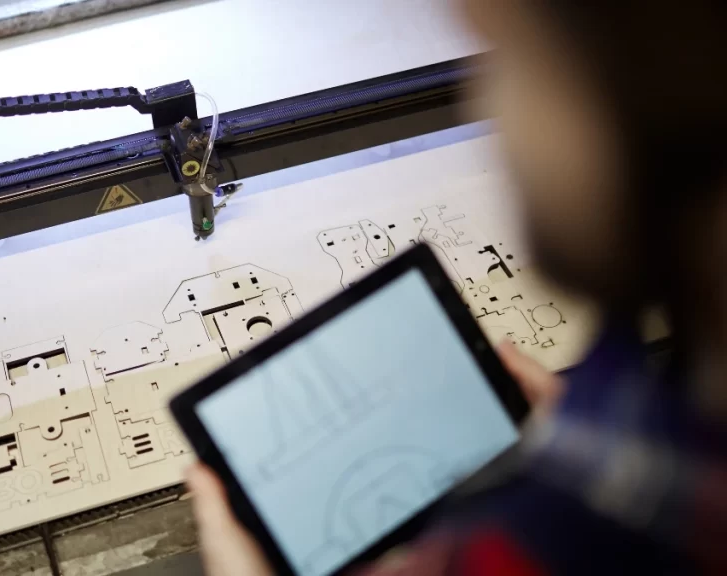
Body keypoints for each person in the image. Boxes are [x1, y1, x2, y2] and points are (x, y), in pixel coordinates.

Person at [186, 0, 727, 574]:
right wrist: (590, 444)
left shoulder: (547, 543)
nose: (489, 107)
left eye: (515, 64)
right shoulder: (665, 430)